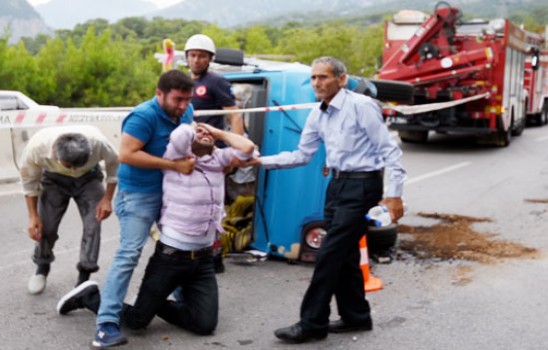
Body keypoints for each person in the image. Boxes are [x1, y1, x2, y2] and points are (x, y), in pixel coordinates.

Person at [246, 56, 406, 344]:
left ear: (341, 80)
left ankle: (312, 323)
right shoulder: (318, 114)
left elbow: (391, 152)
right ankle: (357, 317)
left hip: (362, 187)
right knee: (344, 256)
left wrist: (394, 196)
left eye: (324, 77)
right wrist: (260, 161)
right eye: (314, 78)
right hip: (336, 185)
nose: (317, 83)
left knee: (329, 255)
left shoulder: (361, 106)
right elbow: (302, 155)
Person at [56, 123, 256, 336]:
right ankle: (88, 296)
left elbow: (247, 148)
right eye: (198, 132)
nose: (204, 133)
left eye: (207, 133)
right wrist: (193, 125)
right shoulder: (175, 157)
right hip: (171, 260)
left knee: (205, 325)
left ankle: (154, 303)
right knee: (136, 322)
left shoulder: (219, 160)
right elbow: (180, 135)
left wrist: (215, 132)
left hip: (203, 261)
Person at [92, 69, 196, 348]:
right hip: (138, 194)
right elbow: (126, 154)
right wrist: (174, 166)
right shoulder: (143, 116)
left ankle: (184, 302)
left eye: (187, 100)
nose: (183, 106)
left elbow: (187, 141)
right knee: (129, 253)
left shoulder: (186, 111)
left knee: (176, 248)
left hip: (171, 192)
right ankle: (105, 324)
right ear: (159, 93)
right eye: (178, 100)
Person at [19, 125, 118, 294]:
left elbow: (114, 166)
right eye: (70, 165)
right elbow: (29, 183)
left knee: (93, 225)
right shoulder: (36, 148)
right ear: (56, 155)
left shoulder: (99, 143)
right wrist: (33, 216)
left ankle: (84, 277)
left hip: (89, 179)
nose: (74, 170)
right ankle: (42, 267)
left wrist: (107, 199)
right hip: (53, 179)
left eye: (79, 164)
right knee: (46, 226)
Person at [185, 33, 245, 271]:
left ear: (209, 59)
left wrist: (233, 152)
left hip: (212, 153)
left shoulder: (216, 82)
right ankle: (192, 250)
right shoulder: (185, 82)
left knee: (213, 205)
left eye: (201, 56)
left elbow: (234, 114)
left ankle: (215, 256)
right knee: (191, 203)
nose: (196, 60)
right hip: (189, 152)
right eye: (192, 55)